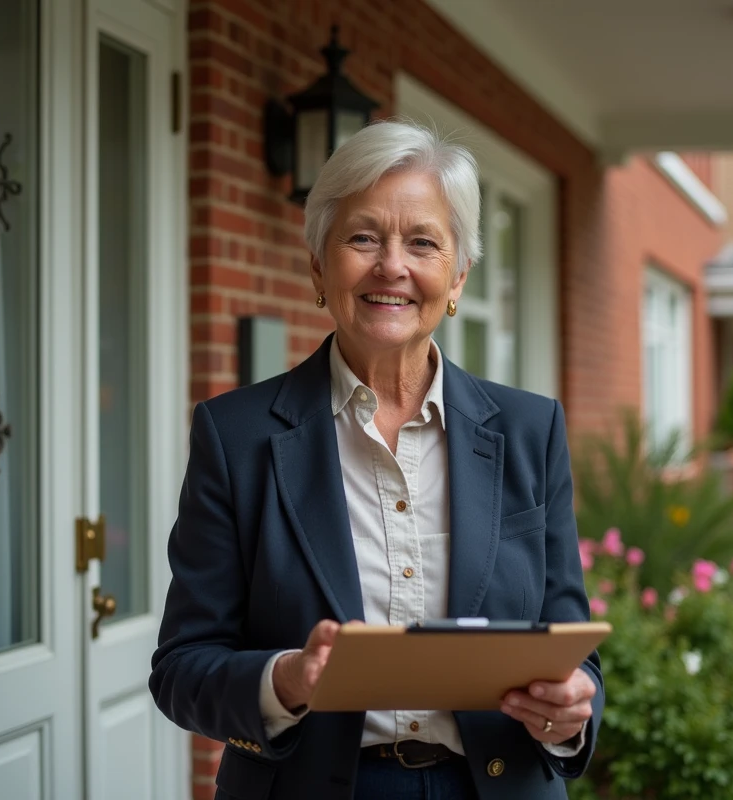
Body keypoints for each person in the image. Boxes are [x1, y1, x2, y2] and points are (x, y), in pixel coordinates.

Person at [149, 120, 604, 800]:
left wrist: (573, 709)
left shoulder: (530, 430)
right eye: (363, 237)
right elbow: (183, 669)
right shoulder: (234, 435)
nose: (393, 265)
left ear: (458, 276)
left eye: (423, 242)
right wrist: (287, 680)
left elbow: (575, 651)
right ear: (317, 265)